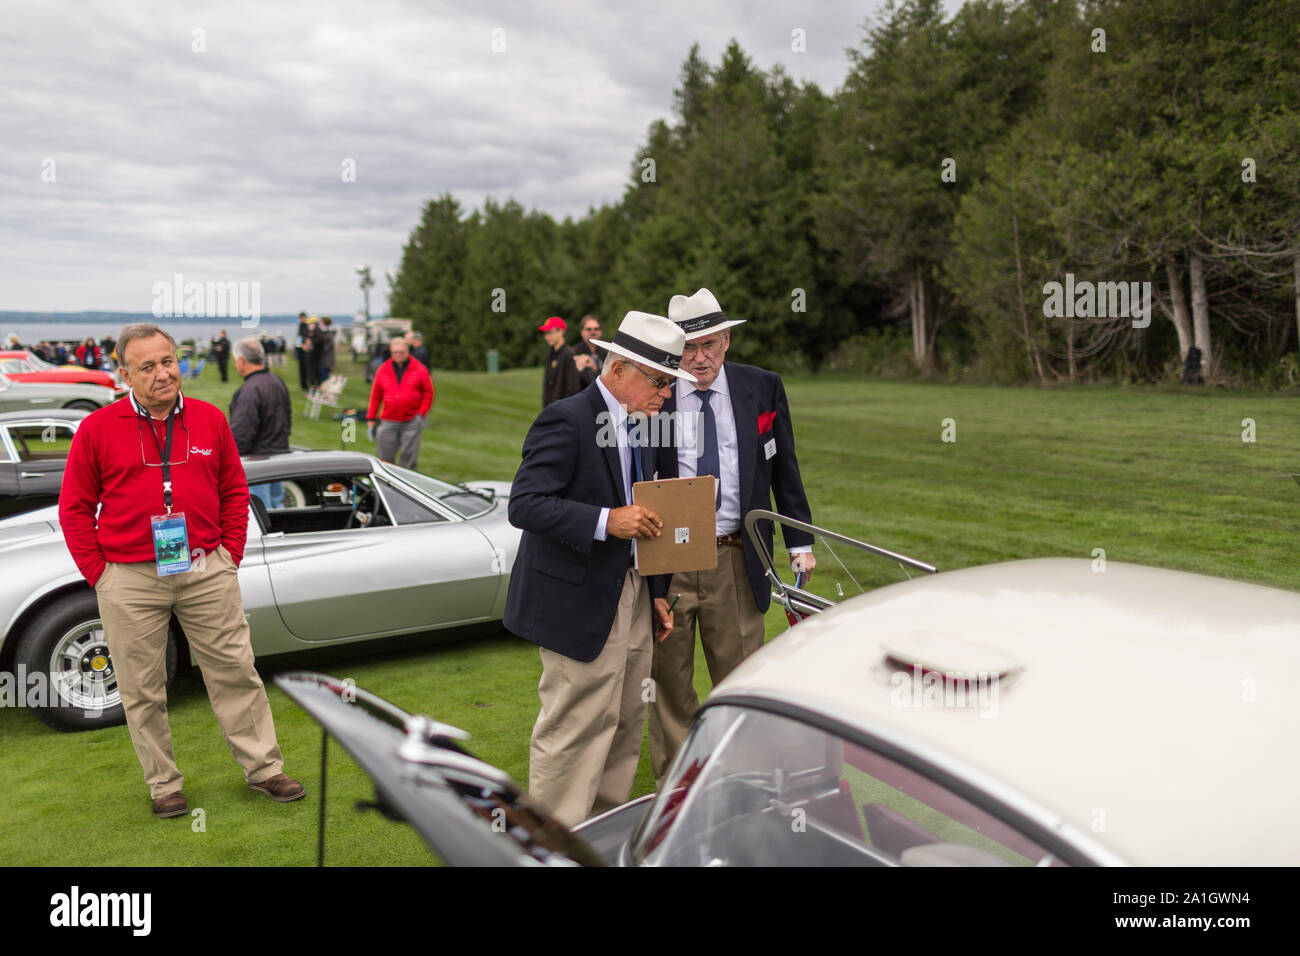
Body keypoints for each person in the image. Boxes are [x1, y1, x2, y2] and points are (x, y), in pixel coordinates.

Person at [58, 323, 304, 818]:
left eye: (167, 361)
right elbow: (75, 508)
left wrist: (229, 553)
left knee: (236, 670)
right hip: (129, 576)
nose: (162, 373)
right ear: (125, 373)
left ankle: (264, 769)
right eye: (147, 366)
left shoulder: (211, 420)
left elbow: (235, 491)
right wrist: (100, 575)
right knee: (141, 688)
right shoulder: (97, 428)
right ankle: (163, 785)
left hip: (204, 568)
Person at [504, 311, 691, 827]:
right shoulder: (565, 418)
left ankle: (601, 837)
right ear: (619, 369)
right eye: (660, 381)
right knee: (575, 725)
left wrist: (656, 591)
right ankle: (551, 847)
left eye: (671, 384)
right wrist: (608, 520)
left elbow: (650, 513)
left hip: (634, 592)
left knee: (627, 719)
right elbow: (525, 504)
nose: (667, 395)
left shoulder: (650, 423)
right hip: (577, 599)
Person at [646, 288, 817, 782]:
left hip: (737, 559)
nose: (699, 359)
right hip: (670, 561)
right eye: (688, 349)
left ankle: (745, 783)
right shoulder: (654, 396)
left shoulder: (761, 387)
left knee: (741, 678)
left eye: (710, 345)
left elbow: (785, 466)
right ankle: (678, 792)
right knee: (670, 683)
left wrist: (799, 544)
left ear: (726, 341)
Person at [229, 337, 292, 509]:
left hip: (257, 461)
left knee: (260, 510)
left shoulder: (250, 390)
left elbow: (242, 430)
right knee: (277, 506)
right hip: (279, 456)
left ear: (241, 361)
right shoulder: (277, 382)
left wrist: (232, 459)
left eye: (235, 361)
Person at [366, 335, 433, 470]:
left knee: (409, 459)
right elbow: (376, 395)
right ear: (391, 353)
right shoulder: (383, 369)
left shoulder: (419, 369)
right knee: (385, 458)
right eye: (395, 352)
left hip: (411, 420)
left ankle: (408, 486)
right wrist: (371, 417)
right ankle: (387, 486)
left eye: (401, 352)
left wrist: (421, 413)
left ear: (407, 351)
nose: (398, 355)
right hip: (388, 420)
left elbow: (428, 392)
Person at [538, 316, 582, 407]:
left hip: (563, 409)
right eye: (545, 334)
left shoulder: (569, 354)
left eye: (550, 333)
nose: (546, 337)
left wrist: (564, 408)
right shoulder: (551, 354)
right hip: (550, 408)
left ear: (561, 331)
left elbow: (573, 387)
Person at [571, 315, 603, 388]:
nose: (593, 332)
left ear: (600, 332)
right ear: (582, 332)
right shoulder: (574, 352)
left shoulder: (606, 352)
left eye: (596, 329)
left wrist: (594, 367)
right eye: (589, 329)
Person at [294, 312, 314, 390]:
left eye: (303, 318)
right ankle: (303, 385)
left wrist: (305, 345)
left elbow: (306, 337)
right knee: (302, 368)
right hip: (301, 350)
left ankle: (309, 384)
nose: (301, 319)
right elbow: (299, 337)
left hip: (306, 350)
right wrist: (298, 347)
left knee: (307, 368)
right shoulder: (301, 326)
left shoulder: (307, 326)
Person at [315, 317, 336, 384]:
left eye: (321, 322)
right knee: (323, 374)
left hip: (326, 359)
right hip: (324, 358)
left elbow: (327, 347)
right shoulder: (327, 332)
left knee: (324, 375)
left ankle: (325, 388)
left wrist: (318, 350)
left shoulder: (329, 333)